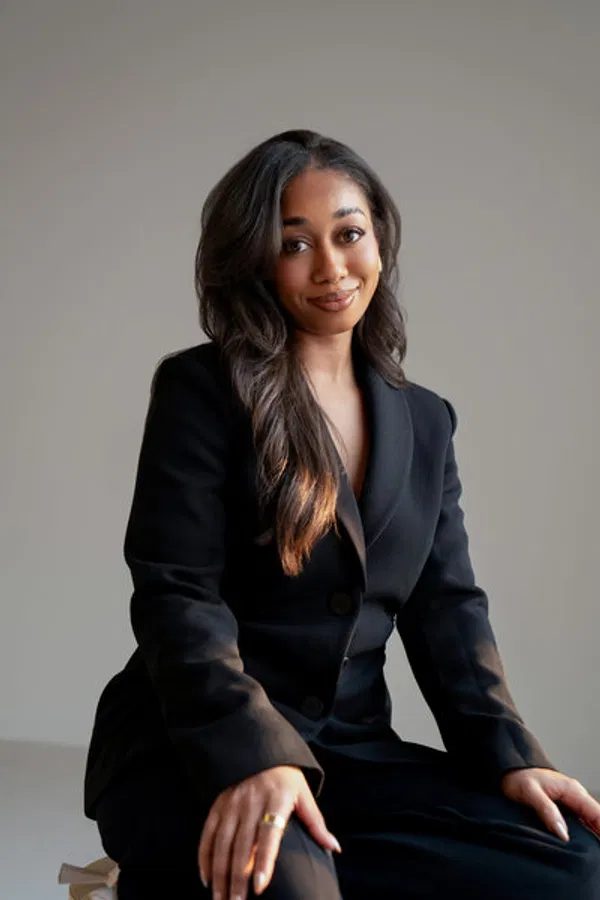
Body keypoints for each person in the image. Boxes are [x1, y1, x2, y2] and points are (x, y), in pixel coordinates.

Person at [84, 129, 600, 900]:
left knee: (570, 866)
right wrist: (254, 754)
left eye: (349, 234)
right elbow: (177, 595)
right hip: (195, 740)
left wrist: (511, 753)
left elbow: (446, 608)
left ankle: (210, 882)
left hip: (352, 755)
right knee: (290, 884)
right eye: (294, 244)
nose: (331, 268)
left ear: (379, 242)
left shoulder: (425, 421)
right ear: (254, 260)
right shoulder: (201, 391)